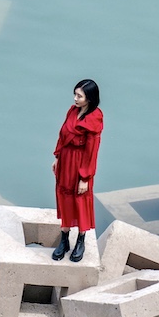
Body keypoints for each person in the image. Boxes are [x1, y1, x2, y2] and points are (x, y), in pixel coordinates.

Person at [51, 79, 103, 262]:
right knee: (64, 198)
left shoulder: (94, 118)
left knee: (80, 201)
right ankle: (64, 239)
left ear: (89, 98)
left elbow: (92, 151)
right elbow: (62, 135)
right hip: (66, 161)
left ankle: (81, 240)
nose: (75, 98)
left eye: (79, 96)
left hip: (81, 164)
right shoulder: (72, 111)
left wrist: (85, 178)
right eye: (75, 94)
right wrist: (57, 157)